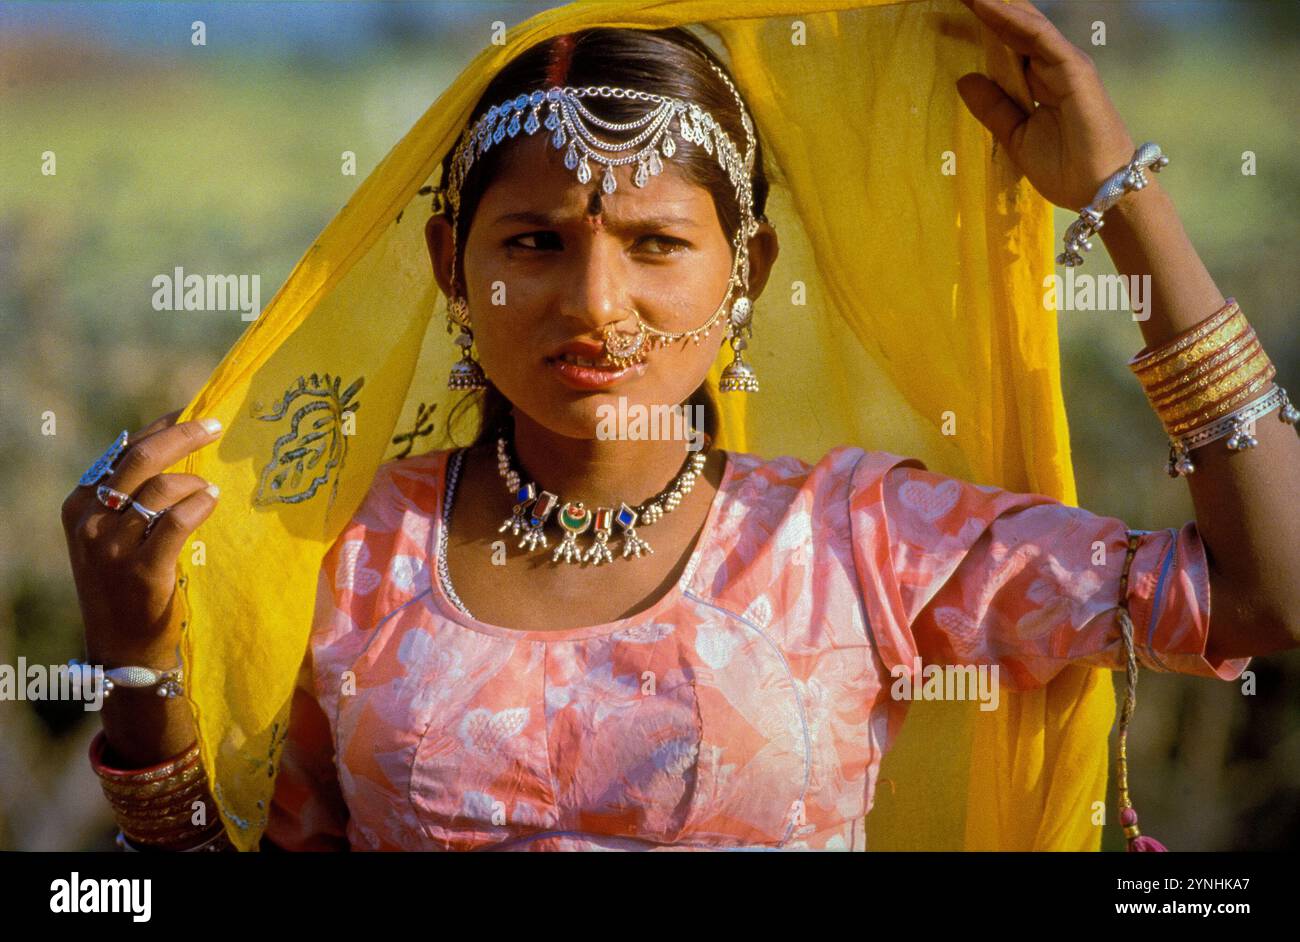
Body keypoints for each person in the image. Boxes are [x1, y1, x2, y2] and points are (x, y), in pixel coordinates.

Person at [61, 1, 1298, 852]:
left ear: (745, 269)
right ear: (451, 263)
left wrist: (1123, 201)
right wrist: (139, 665)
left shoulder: (854, 541)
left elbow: (1265, 600)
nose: (596, 305)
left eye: (656, 244)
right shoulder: (340, 550)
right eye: (534, 244)